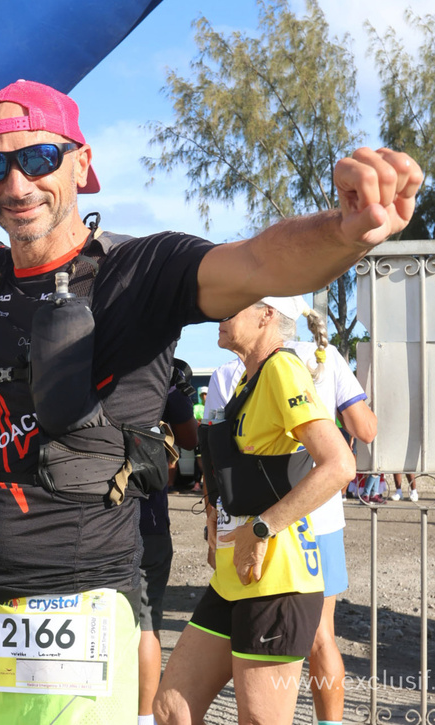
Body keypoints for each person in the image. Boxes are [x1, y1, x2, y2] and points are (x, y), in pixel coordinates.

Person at [0, 38, 421, 724]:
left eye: (38, 158)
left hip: (74, 605)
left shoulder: (141, 273)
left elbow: (263, 263)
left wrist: (344, 231)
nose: (15, 184)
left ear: (83, 164)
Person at [153, 296, 355, 725]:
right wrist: (215, 516)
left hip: (279, 578)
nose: (218, 317)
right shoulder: (248, 379)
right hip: (234, 579)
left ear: (266, 316)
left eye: (232, 308)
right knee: (172, 708)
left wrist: (261, 529)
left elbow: (340, 465)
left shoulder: (282, 370)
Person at [203, 296, 377, 725]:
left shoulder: (235, 374)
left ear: (266, 315)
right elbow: (365, 430)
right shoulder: (325, 356)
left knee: (289, 646)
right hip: (318, 520)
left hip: (268, 528)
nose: (221, 316)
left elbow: (215, 462)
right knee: (322, 639)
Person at [138, 365, 198, 725]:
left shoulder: (87, 358)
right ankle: (144, 719)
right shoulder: (161, 374)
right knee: (145, 624)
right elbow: (190, 440)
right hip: (147, 519)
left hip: (89, 519)